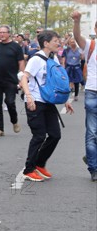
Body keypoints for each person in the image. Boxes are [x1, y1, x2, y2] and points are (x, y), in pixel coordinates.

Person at [19, 30, 74, 182]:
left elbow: (57, 81)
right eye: (56, 40)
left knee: (55, 135)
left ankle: (40, 163)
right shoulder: (36, 59)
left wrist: (66, 101)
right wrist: (29, 96)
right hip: (35, 101)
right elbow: (24, 78)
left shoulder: (53, 58)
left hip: (48, 101)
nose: (59, 43)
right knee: (39, 135)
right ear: (46, 43)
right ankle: (29, 169)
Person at [0, 25, 25, 136]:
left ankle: (14, 121)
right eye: (0, 32)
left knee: (10, 102)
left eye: (4, 32)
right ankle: (0, 128)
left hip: (11, 80)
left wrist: (22, 78)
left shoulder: (15, 47)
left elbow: (21, 62)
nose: (1, 34)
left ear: (9, 33)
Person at [72, 11, 97, 181]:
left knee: (92, 133)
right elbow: (77, 36)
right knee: (92, 133)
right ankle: (94, 167)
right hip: (93, 92)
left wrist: (78, 21)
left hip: (91, 92)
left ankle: (93, 163)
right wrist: (77, 22)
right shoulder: (91, 45)